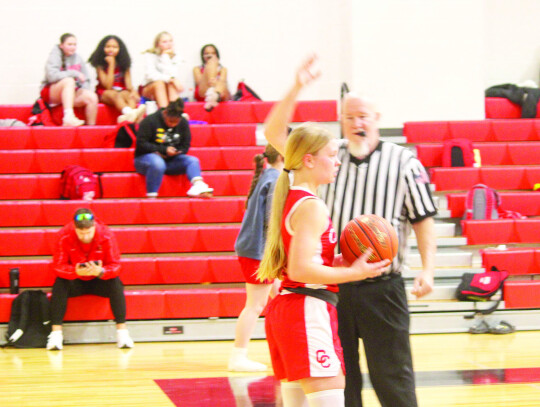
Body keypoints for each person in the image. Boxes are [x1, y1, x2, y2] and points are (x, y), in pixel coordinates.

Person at [264, 55, 438, 407]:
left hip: (379, 285)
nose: (357, 123)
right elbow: (272, 133)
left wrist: (429, 269)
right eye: (350, 116)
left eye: (364, 116)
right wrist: (297, 86)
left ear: (377, 120)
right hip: (330, 287)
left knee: (394, 378)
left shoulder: (403, 162)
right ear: (341, 121)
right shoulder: (325, 156)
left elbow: (423, 219)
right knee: (342, 388)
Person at [256, 123, 390, 407]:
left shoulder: (296, 197)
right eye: (331, 154)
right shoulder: (311, 206)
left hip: (292, 308)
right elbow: (300, 269)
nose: (338, 160)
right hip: (306, 309)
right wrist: (352, 273)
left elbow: (304, 261)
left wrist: (335, 262)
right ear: (309, 159)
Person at [229, 144, 283, 372]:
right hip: (258, 252)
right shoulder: (275, 179)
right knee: (255, 305)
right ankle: (238, 356)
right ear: (284, 154)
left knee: (282, 296)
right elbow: (273, 222)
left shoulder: (268, 176)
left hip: (255, 250)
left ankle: (284, 349)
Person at [47, 208, 134, 350]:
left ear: (94, 227)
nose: (85, 236)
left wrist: (102, 271)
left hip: (98, 279)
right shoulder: (63, 235)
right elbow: (57, 266)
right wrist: (74, 271)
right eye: (81, 233)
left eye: (88, 232)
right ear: (75, 228)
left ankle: (122, 333)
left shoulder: (106, 235)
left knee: (116, 282)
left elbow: (117, 266)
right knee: (59, 283)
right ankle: (56, 335)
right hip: (75, 279)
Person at [134, 98, 213, 198]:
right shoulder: (150, 121)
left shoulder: (183, 123)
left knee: (193, 160)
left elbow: (185, 145)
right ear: (165, 113)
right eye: (170, 121)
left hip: (171, 160)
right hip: (146, 158)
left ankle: (198, 185)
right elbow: (141, 144)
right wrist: (163, 150)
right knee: (158, 163)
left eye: (176, 122)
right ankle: (152, 197)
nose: (173, 124)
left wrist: (177, 151)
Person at [40, 33, 98, 126]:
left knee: (92, 97)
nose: (73, 47)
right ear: (61, 45)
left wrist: (84, 89)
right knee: (69, 81)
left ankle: (91, 128)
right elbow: (52, 76)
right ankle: (68, 117)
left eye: (74, 45)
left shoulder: (78, 58)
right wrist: (74, 73)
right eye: (69, 44)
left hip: (70, 93)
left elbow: (86, 78)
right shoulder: (55, 56)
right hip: (51, 91)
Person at [88, 35, 146, 124]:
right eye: (108, 47)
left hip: (121, 90)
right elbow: (108, 86)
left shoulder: (124, 63)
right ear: (102, 48)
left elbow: (128, 85)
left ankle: (129, 118)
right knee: (115, 95)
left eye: (115, 47)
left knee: (129, 96)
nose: (111, 49)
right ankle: (129, 113)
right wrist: (111, 64)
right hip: (105, 93)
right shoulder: (100, 65)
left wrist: (133, 92)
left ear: (120, 49)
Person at [141, 31, 184, 109]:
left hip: (167, 87)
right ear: (158, 44)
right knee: (160, 83)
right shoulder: (150, 55)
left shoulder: (176, 56)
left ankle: (175, 112)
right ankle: (163, 111)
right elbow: (151, 75)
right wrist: (170, 79)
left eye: (170, 41)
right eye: (164, 42)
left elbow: (174, 75)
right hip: (150, 88)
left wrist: (165, 57)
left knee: (172, 84)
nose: (169, 44)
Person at [193, 44, 230, 111]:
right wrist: (208, 71)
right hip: (203, 93)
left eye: (213, 53)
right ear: (203, 56)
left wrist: (215, 83)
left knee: (221, 85)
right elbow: (199, 83)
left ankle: (213, 96)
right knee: (211, 63)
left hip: (219, 93)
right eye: (207, 53)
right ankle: (212, 96)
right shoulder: (197, 69)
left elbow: (222, 82)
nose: (210, 56)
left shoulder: (223, 69)